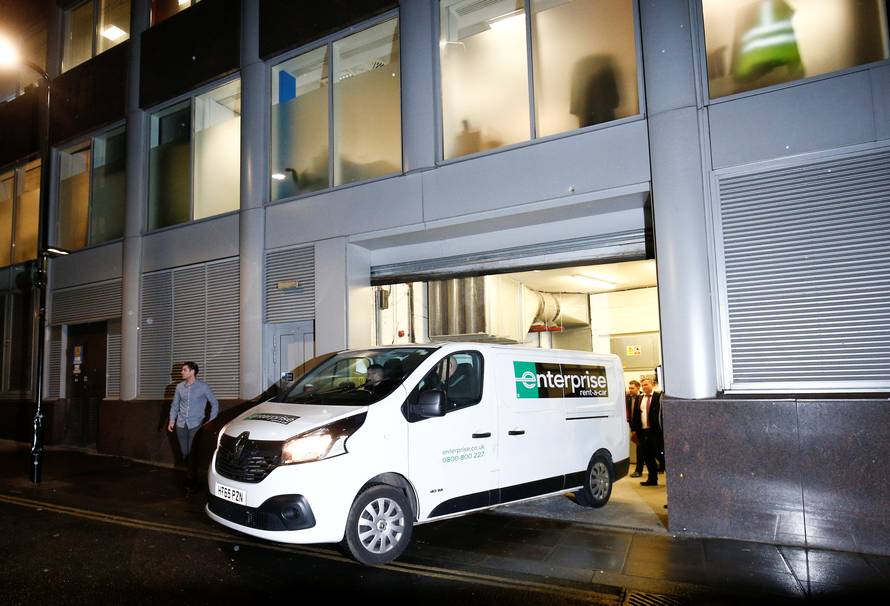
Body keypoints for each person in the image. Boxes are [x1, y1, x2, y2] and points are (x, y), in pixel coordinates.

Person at [167, 361, 219, 487]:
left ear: (192, 372)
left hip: (196, 424)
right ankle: (191, 473)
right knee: (185, 453)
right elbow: (175, 405)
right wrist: (171, 420)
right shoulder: (179, 387)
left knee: (192, 452)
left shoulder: (203, 387)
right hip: (181, 424)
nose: (181, 372)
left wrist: (211, 421)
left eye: (184, 370)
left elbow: (214, 403)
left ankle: (192, 479)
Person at [630, 378, 661, 486]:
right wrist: (634, 430)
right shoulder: (640, 398)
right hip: (643, 431)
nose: (644, 387)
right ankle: (652, 479)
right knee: (647, 456)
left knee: (659, 455)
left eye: (646, 385)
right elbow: (636, 415)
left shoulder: (659, 397)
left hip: (656, 432)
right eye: (643, 385)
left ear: (652, 385)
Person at [625, 380, 644, 478]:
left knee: (641, 449)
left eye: (632, 388)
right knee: (640, 448)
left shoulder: (642, 397)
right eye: (629, 388)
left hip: (643, 427)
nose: (630, 390)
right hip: (633, 426)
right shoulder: (628, 398)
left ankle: (639, 470)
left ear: (638, 388)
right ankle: (639, 470)